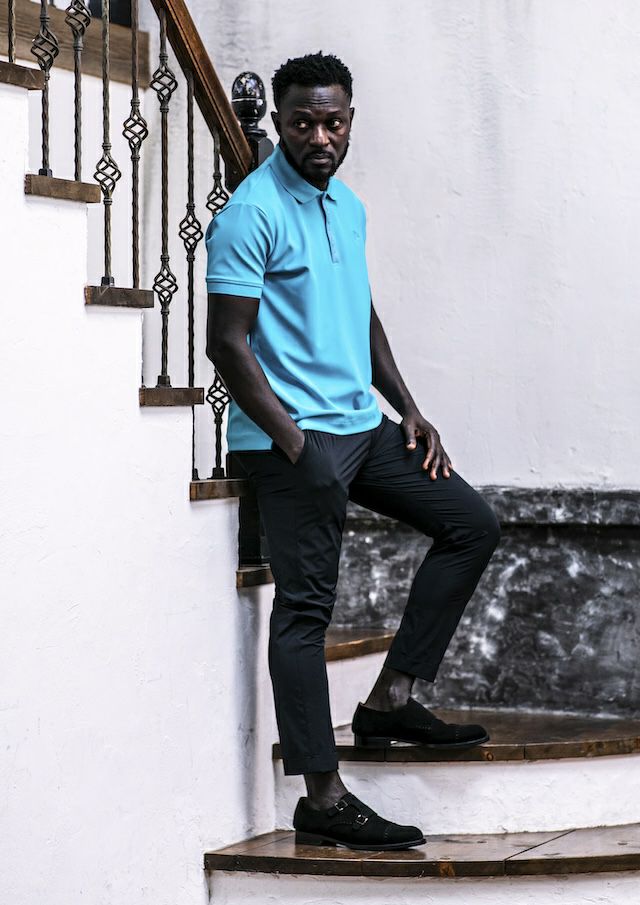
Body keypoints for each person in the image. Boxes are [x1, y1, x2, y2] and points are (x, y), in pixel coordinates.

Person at [205, 51, 500, 852]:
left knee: (472, 523)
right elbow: (227, 343)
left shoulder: (349, 207)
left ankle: (392, 697)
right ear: (278, 122)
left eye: (332, 122)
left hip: (362, 428)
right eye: (303, 122)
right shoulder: (251, 213)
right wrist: (294, 444)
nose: (319, 136)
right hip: (293, 440)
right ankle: (324, 797)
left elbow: (359, 314)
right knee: (306, 611)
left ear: (350, 121)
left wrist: (409, 408)